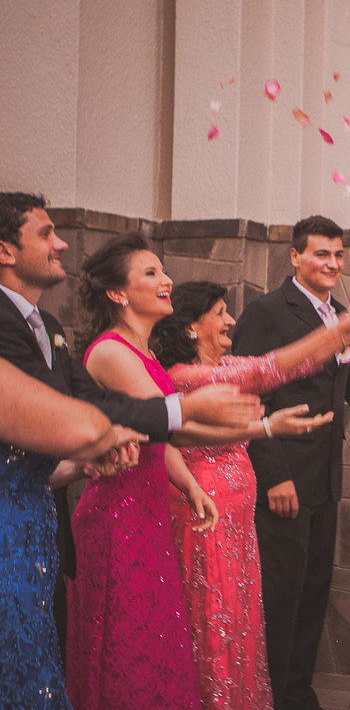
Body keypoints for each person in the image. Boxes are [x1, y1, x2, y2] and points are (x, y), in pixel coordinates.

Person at [0, 193, 261, 676]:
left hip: (45, 518)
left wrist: (91, 455)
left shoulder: (49, 327)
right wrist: (194, 410)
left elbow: (100, 406)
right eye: (44, 234)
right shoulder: (92, 346)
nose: (60, 243)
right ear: (5, 251)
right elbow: (65, 418)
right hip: (22, 522)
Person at [152, 281, 350, 710]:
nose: (231, 320)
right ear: (191, 327)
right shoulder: (185, 378)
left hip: (237, 520)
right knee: (214, 622)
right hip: (204, 515)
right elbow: (265, 370)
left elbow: (285, 368)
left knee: (240, 617)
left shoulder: (223, 361)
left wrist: (343, 336)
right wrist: (340, 327)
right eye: (221, 312)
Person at [231, 215, 350, 710]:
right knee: (280, 599)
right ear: (295, 257)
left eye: (338, 255)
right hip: (282, 483)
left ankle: (297, 693)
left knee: (312, 595)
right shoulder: (268, 312)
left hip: (324, 485)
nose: (332, 264)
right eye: (320, 254)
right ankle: (269, 698)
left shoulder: (338, 314)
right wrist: (275, 475)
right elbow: (246, 394)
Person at [68, 232, 221, 710]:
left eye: (163, 270)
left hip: (149, 513)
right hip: (117, 519)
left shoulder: (149, 352)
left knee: (156, 639)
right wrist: (254, 423)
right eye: (151, 272)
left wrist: (190, 485)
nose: (166, 280)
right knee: (125, 642)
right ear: (117, 293)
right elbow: (164, 418)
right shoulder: (111, 351)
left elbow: (158, 437)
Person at [0, 360, 146, 710]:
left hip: (33, 563)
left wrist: (84, 466)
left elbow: (23, 477)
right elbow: (87, 427)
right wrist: (108, 436)